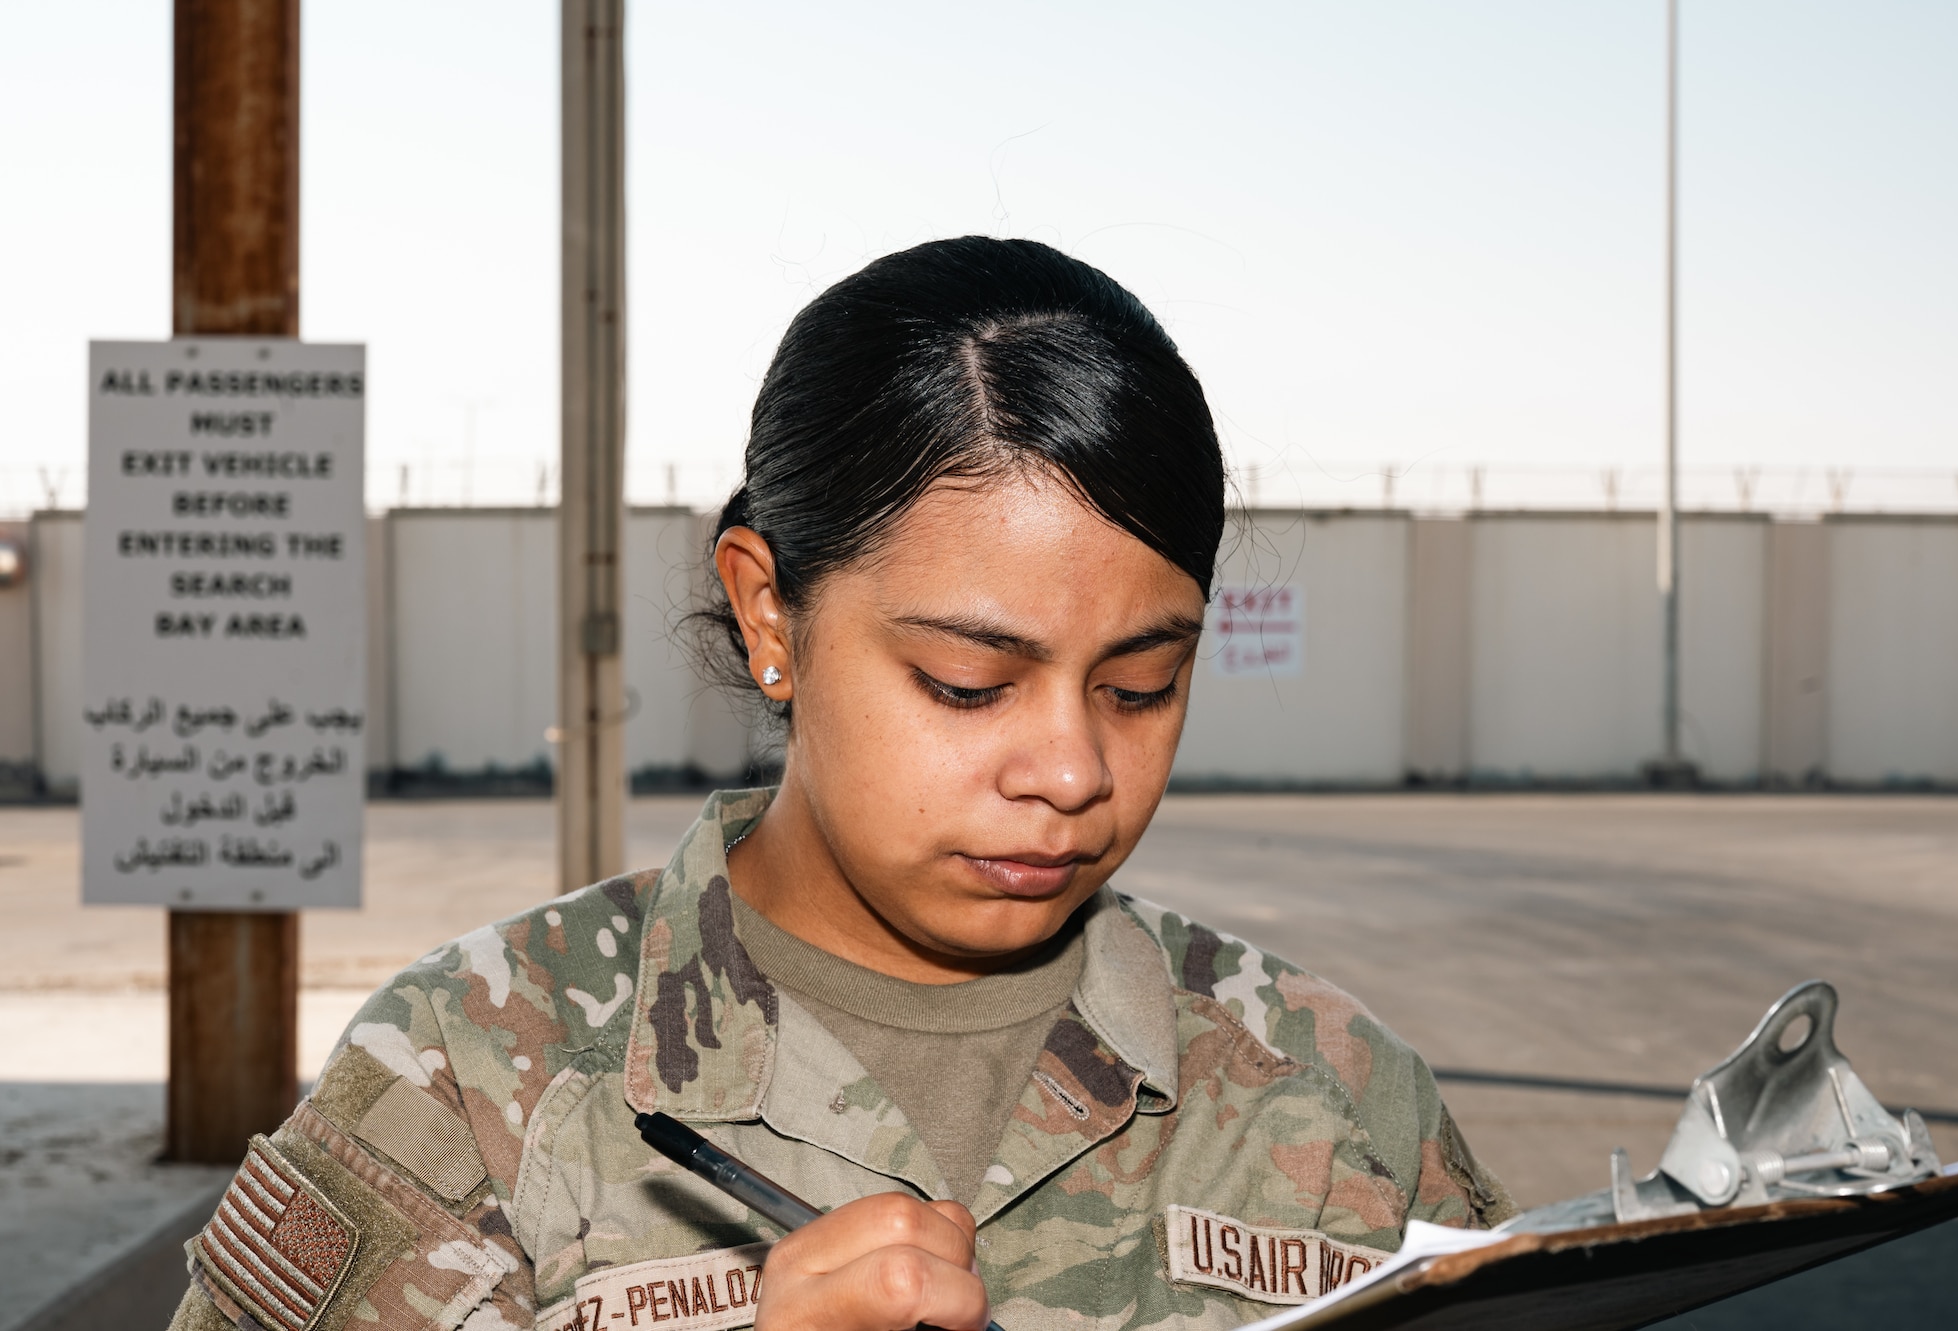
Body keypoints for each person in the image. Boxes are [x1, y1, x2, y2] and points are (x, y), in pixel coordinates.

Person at [170, 237, 1513, 1331]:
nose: (1071, 770)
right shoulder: (471, 1080)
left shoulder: (1335, 1099)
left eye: (1140, 686)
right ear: (768, 615)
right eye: (968, 683)